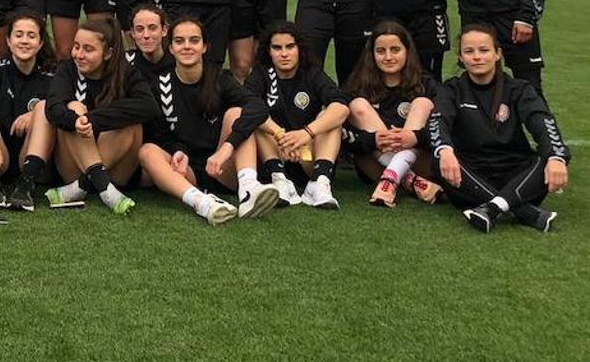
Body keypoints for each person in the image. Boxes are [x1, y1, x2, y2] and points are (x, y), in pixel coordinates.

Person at [133, 12, 278, 223]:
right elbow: (158, 135)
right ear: (170, 48)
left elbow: (258, 107)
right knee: (147, 151)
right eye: (179, 41)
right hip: (187, 172)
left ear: (204, 47)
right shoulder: (159, 85)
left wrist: (227, 147)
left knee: (237, 113)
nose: (187, 46)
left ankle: (249, 190)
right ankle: (203, 203)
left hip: (224, 168)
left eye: (194, 40)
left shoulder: (219, 77)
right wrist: (178, 151)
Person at [429, 25, 569, 233]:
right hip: (472, 175)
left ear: (497, 54)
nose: (477, 57)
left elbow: (541, 120)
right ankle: (521, 210)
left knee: (550, 156)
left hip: (516, 173)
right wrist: (445, 150)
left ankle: (492, 208)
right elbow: (437, 121)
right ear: (461, 57)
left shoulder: (519, 89)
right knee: (441, 158)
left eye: (484, 50)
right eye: (469, 51)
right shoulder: (451, 89)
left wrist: (556, 158)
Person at [43, 16, 158, 214]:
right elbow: (53, 107)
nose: (79, 54)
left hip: (118, 171)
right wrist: (76, 120)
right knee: (74, 107)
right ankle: (103, 186)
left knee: (132, 124)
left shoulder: (126, 73)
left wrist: (93, 120)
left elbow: (149, 107)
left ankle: (83, 186)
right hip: (73, 165)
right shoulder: (67, 68)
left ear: (108, 53)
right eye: (76, 46)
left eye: (88, 49)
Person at [245, 21, 350, 209]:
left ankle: (319, 183)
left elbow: (342, 108)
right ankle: (279, 181)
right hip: (276, 152)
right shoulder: (260, 75)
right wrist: (282, 136)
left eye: (290, 47)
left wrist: (305, 134)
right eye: (277, 48)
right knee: (255, 117)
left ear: (299, 49)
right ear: (268, 51)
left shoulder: (311, 73)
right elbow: (248, 108)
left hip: (307, 154)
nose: (284, 53)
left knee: (332, 115)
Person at [342, 21, 441, 208]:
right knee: (357, 106)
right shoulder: (358, 86)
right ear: (371, 54)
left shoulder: (425, 84)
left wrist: (414, 137)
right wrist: (373, 141)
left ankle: (392, 181)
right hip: (375, 163)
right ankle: (411, 181)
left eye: (395, 50)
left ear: (407, 51)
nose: (388, 57)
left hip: (420, 160)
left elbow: (443, 129)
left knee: (422, 103)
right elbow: (346, 137)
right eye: (380, 51)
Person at [0, 10, 58, 211]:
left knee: (46, 107)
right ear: (8, 41)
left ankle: (25, 187)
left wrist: (35, 113)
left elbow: (68, 106)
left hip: (34, 162)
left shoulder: (53, 75)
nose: (25, 41)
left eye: (31, 35)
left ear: (41, 43)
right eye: (18, 35)